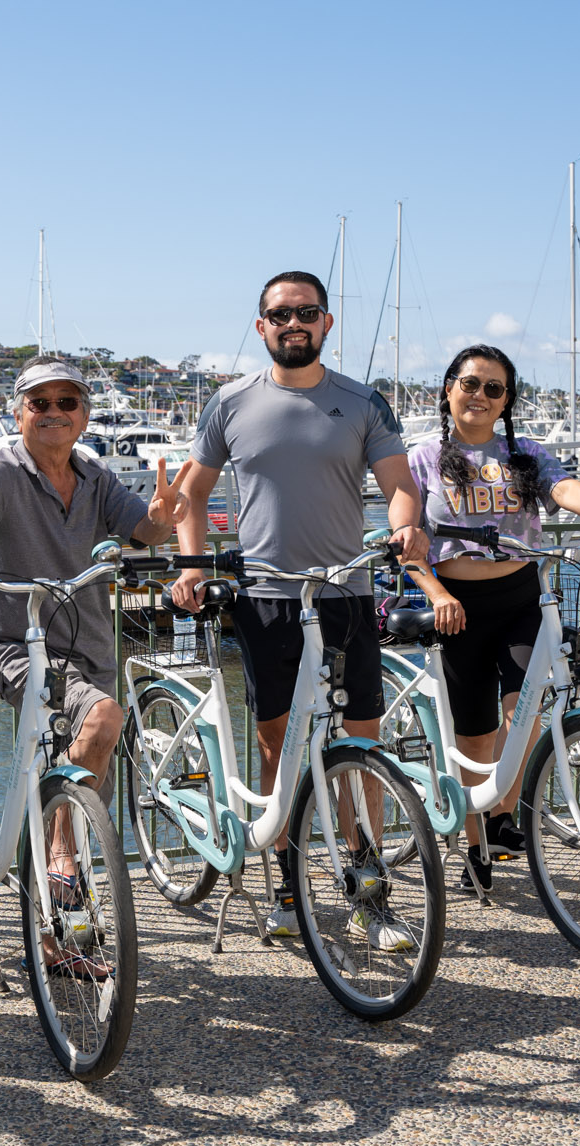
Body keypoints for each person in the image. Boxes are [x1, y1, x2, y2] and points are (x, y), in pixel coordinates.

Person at [0, 354, 181, 976]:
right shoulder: (1, 474)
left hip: (93, 649)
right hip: (21, 649)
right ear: (18, 413)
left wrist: (162, 517)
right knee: (103, 723)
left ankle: (55, 925)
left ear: (84, 414)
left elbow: (147, 532)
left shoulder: (96, 476)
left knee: (80, 784)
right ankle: (57, 863)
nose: (53, 413)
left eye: (66, 402)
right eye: (39, 403)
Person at [168, 270, 428, 936]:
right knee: (276, 746)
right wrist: (193, 565)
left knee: (361, 750)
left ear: (326, 322)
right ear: (261, 326)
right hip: (264, 597)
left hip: (346, 594)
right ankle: (288, 889)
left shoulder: (363, 401)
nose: (294, 324)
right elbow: (191, 496)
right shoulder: (229, 402)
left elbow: (400, 486)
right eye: (280, 314)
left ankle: (369, 892)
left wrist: (405, 526)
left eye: (306, 312)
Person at [402, 345, 580, 890]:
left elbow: (562, 487)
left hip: (520, 597)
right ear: (448, 389)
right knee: (474, 736)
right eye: (470, 384)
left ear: (506, 400)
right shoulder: (423, 458)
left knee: (525, 709)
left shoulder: (525, 453)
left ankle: (502, 815)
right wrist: (435, 592)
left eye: (494, 388)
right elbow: (408, 540)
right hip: (455, 606)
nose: (480, 396)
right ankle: (475, 847)